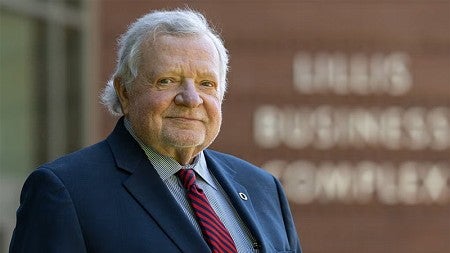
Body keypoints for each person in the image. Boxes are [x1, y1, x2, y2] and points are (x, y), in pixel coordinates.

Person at [9, 9, 301, 253]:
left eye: (206, 84)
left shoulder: (263, 188)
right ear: (125, 92)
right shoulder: (65, 192)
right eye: (167, 80)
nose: (190, 98)